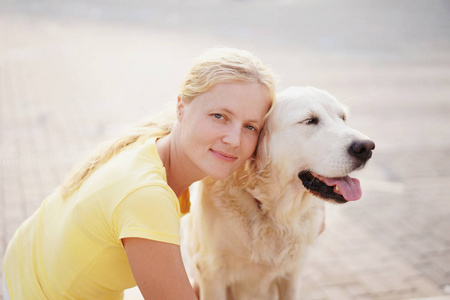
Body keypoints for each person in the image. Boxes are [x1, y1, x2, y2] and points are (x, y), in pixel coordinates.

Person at [2, 47, 276, 299]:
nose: (234, 140)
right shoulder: (147, 196)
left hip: (23, 269)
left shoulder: (151, 142)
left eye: (250, 127)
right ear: (181, 107)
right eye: (219, 116)